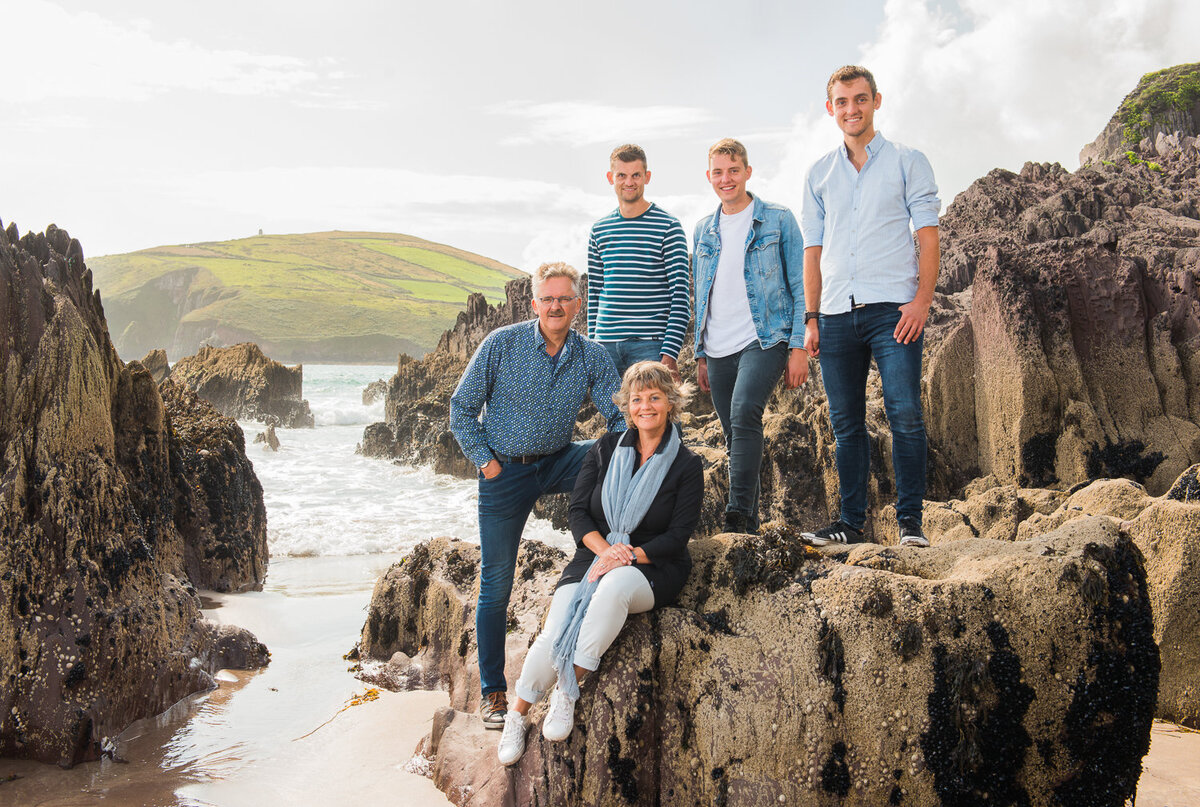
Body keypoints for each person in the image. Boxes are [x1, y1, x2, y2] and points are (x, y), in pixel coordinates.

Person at [495, 361, 703, 765]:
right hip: (594, 554)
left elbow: (678, 536)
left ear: (671, 403)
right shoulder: (604, 449)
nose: (646, 406)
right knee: (554, 629)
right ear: (626, 405)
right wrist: (605, 551)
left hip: (653, 565)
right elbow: (578, 514)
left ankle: (567, 691)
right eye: (637, 399)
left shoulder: (687, 465)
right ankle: (517, 716)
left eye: (655, 397)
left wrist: (625, 555)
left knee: (615, 587)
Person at [449, 261, 626, 729]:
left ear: (577, 304)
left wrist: (633, 452)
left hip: (560, 459)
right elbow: (462, 408)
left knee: (611, 455)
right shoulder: (502, 344)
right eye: (547, 299)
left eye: (564, 298)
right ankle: (492, 694)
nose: (555, 306)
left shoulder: (591, 354)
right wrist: (486, 462)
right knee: (495, 584)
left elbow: (620, 414)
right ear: (535, 304)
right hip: (504, 472)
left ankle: (606, 552)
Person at [799, 65, 941, 548]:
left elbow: (927, 235)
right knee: (846, 425)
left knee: (904, 414)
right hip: (836, 314)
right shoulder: (819, 173)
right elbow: (813, 251)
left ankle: (910, 524)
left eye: (860, 99)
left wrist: (921, 301)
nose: (851, 109)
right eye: (842, 102)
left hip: (893, 312)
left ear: (876, 101)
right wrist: (811, 319)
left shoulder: (907, 160)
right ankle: (850, 522)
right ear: (830, 108)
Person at [692, 138, 807, 535]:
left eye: (733, 170)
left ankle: (737, 515)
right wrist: (700, 353)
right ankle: (750, 525)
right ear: (710, 177)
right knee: (734, 433)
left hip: (765, 338)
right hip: (718, 346)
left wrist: (798, 345)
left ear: (747, 172)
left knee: (744, 414)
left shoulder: (778, 219)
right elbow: (700, 292)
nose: (726, 179)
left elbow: (799, 283)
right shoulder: (702, 230)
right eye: (718, 172)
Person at [588, 144, 690, 380]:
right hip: (605, 346)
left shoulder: (669, 227)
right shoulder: (599, 230)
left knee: (659, 416)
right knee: (613, 417)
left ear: (647, 177)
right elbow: (594, 294)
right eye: (621, 175)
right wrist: (593, 346)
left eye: (636, 175)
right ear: (610, 178)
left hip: (650, 346)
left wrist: (669, 353)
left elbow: (680, 297)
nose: (629, 182)